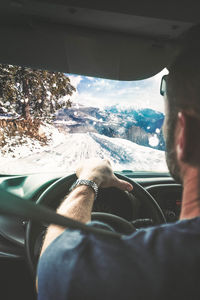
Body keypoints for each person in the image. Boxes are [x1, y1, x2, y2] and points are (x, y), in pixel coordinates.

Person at [37, 35, 200, 299]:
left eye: (166, 123)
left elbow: (50, 265)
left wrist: (87, 182)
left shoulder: (144, 273)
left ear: (187, 135)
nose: (160, 127)